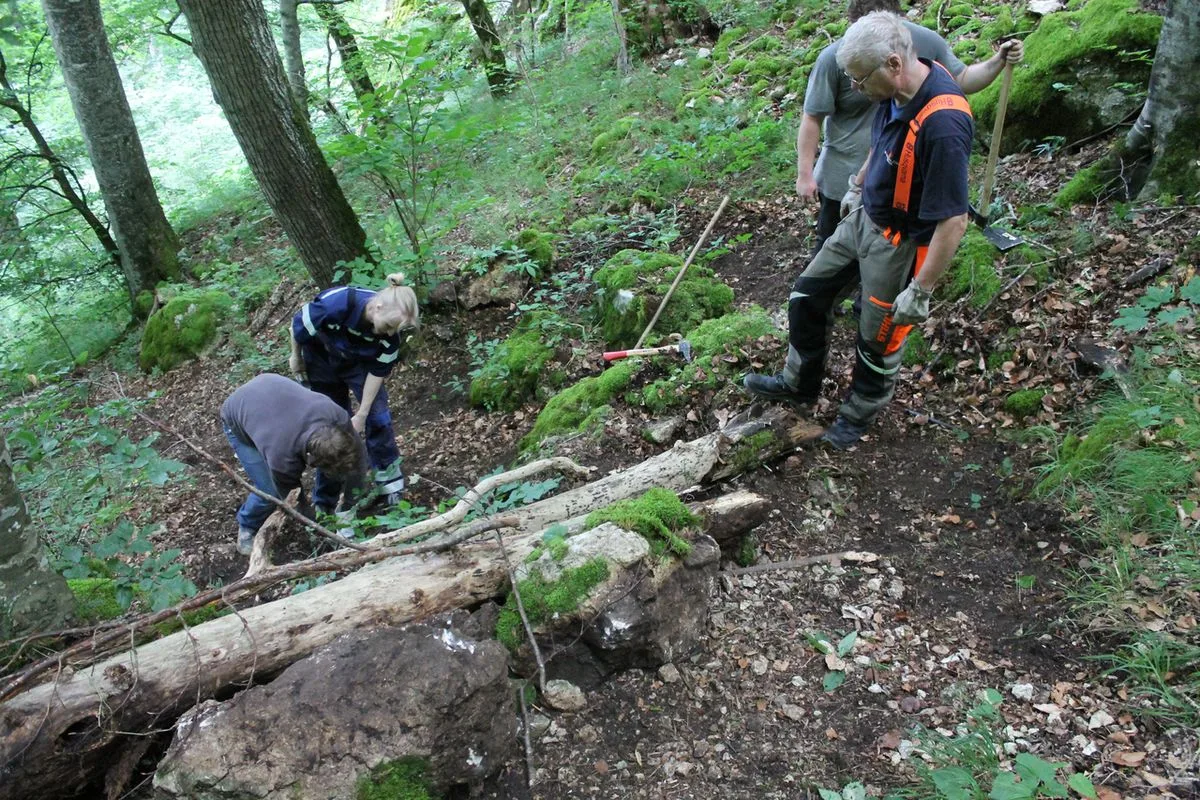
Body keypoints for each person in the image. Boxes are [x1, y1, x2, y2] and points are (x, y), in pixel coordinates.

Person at [743, 11, 975, 449]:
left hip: (900, 245)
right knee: (807, 296)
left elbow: (954, 219)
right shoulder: (894, 89)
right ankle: (800, 384)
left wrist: (921, 290)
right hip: (862, 219)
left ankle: (858, 415)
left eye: (859, 78)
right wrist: (861, 182)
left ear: (892, 63)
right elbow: (884, 140)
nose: (854, 88)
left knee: (878, 338)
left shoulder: (944, 124)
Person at [796, 0, 1022, 263]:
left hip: (900, 177)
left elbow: (960, 80)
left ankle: (869, 301)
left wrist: (998, 61)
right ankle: (826, 302)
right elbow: (812, 117)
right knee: (832, 248)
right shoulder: (837, 57)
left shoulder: (921, 41)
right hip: (843, 174)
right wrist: (805, 174)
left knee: (886, 256)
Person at [289, 273, 419, 507]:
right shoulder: (337, 303)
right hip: (321, 360)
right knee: (328, 428)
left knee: (379, 418)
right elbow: (299, 326)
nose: (390, 334)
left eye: (395, 330)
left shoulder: (391, 337)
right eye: (389, 326)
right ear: (377, 307)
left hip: (359, 365)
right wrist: (295, 358)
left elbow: (377, 372)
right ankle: (326, 501)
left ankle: (389, 485)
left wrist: (362, 413)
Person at [221, 374, 368, 555]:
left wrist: (348, 507)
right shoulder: (281, 456)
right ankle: (247, 526)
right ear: (310, 460)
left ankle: (325, 506)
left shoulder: (336, 415)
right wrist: (318, 529)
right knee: (269, 489)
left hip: (272, 389)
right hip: (238, 413)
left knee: (340, 467)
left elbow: (359, 461)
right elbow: (292, 499)